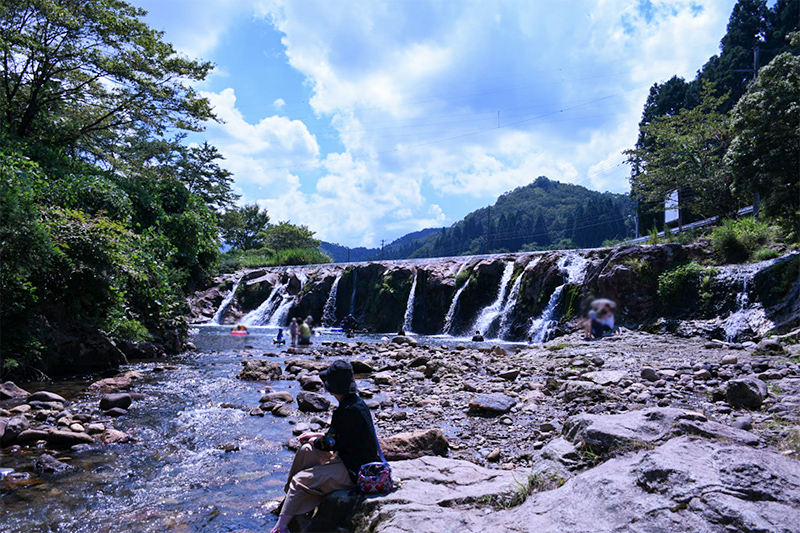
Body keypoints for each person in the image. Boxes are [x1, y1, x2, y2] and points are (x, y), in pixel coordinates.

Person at [270, 360, 382, 533]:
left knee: (299, 481)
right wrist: (314, 436)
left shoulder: (347, 410)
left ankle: (282, 526)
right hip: (349, 458)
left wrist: (316, 440)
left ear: (331, 388)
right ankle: (290, 501)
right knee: (307, 450)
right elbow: (339, 437)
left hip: (355, 471)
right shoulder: (353, 403)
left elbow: (329, 443)